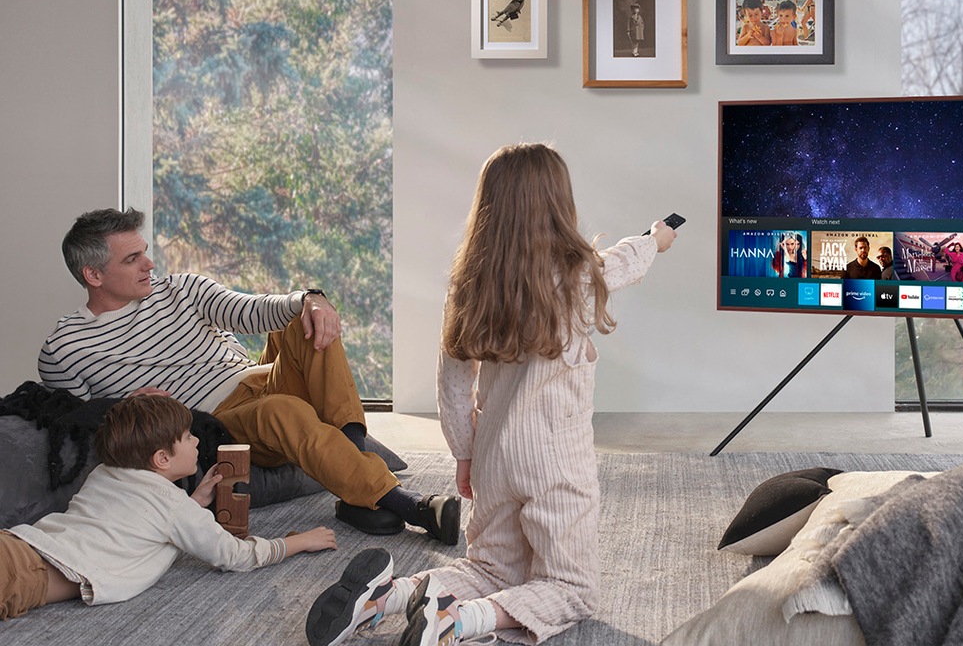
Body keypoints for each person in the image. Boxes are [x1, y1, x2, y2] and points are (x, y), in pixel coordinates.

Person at [305, 143, 677, 646]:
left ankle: (386, 597)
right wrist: (656, 237)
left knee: (490, 568)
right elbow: (626, 259)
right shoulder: (579, 277)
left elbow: (453, 385)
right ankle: (458, 622)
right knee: (573, 589)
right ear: (558, 206)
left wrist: (465, 456)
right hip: (556, 467)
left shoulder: (469, 288)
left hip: (494, 458)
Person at [38, 208, 461, 542]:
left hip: (257, 377)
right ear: (93, 275)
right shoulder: (65, 348)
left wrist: (310, 299)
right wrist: (120, 406)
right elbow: (72, 422)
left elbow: (254, 310)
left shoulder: (181, 288)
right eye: (132, 259)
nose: (150, 263)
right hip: (219, 421)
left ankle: (358, 490)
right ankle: (412, 506)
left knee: (305, 321)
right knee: (284, 411)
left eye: (145, 251)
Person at [0, 394, 336, 620]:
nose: (198, 441)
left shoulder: (104, 473)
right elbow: (235, 556)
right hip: (24, 572)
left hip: (19, 545)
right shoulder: (172, 507)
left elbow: (138, 520)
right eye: (189, 437)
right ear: (162, 458)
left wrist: (194, 503)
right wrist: (298, 542)